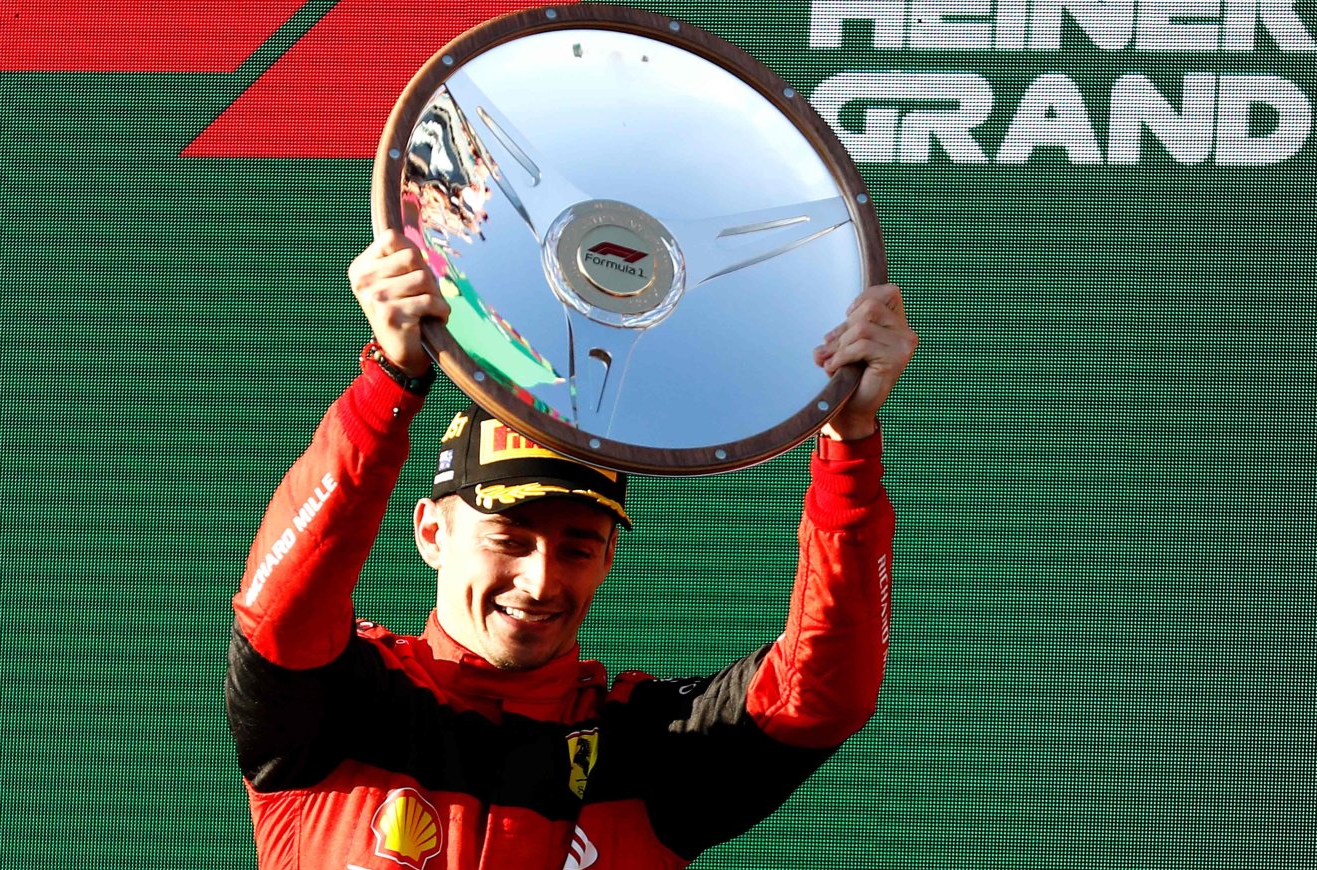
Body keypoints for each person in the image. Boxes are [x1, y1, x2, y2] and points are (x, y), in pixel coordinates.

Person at [225, 230, 917, 869]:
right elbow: (278, 614)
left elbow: (821, 696)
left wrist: (849, 442)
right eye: (510, 538)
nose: (540, 579)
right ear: (433, 532)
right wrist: (389, 384)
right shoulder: (344, 705)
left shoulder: (649, 748)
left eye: (578, 547)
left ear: (609, 560)